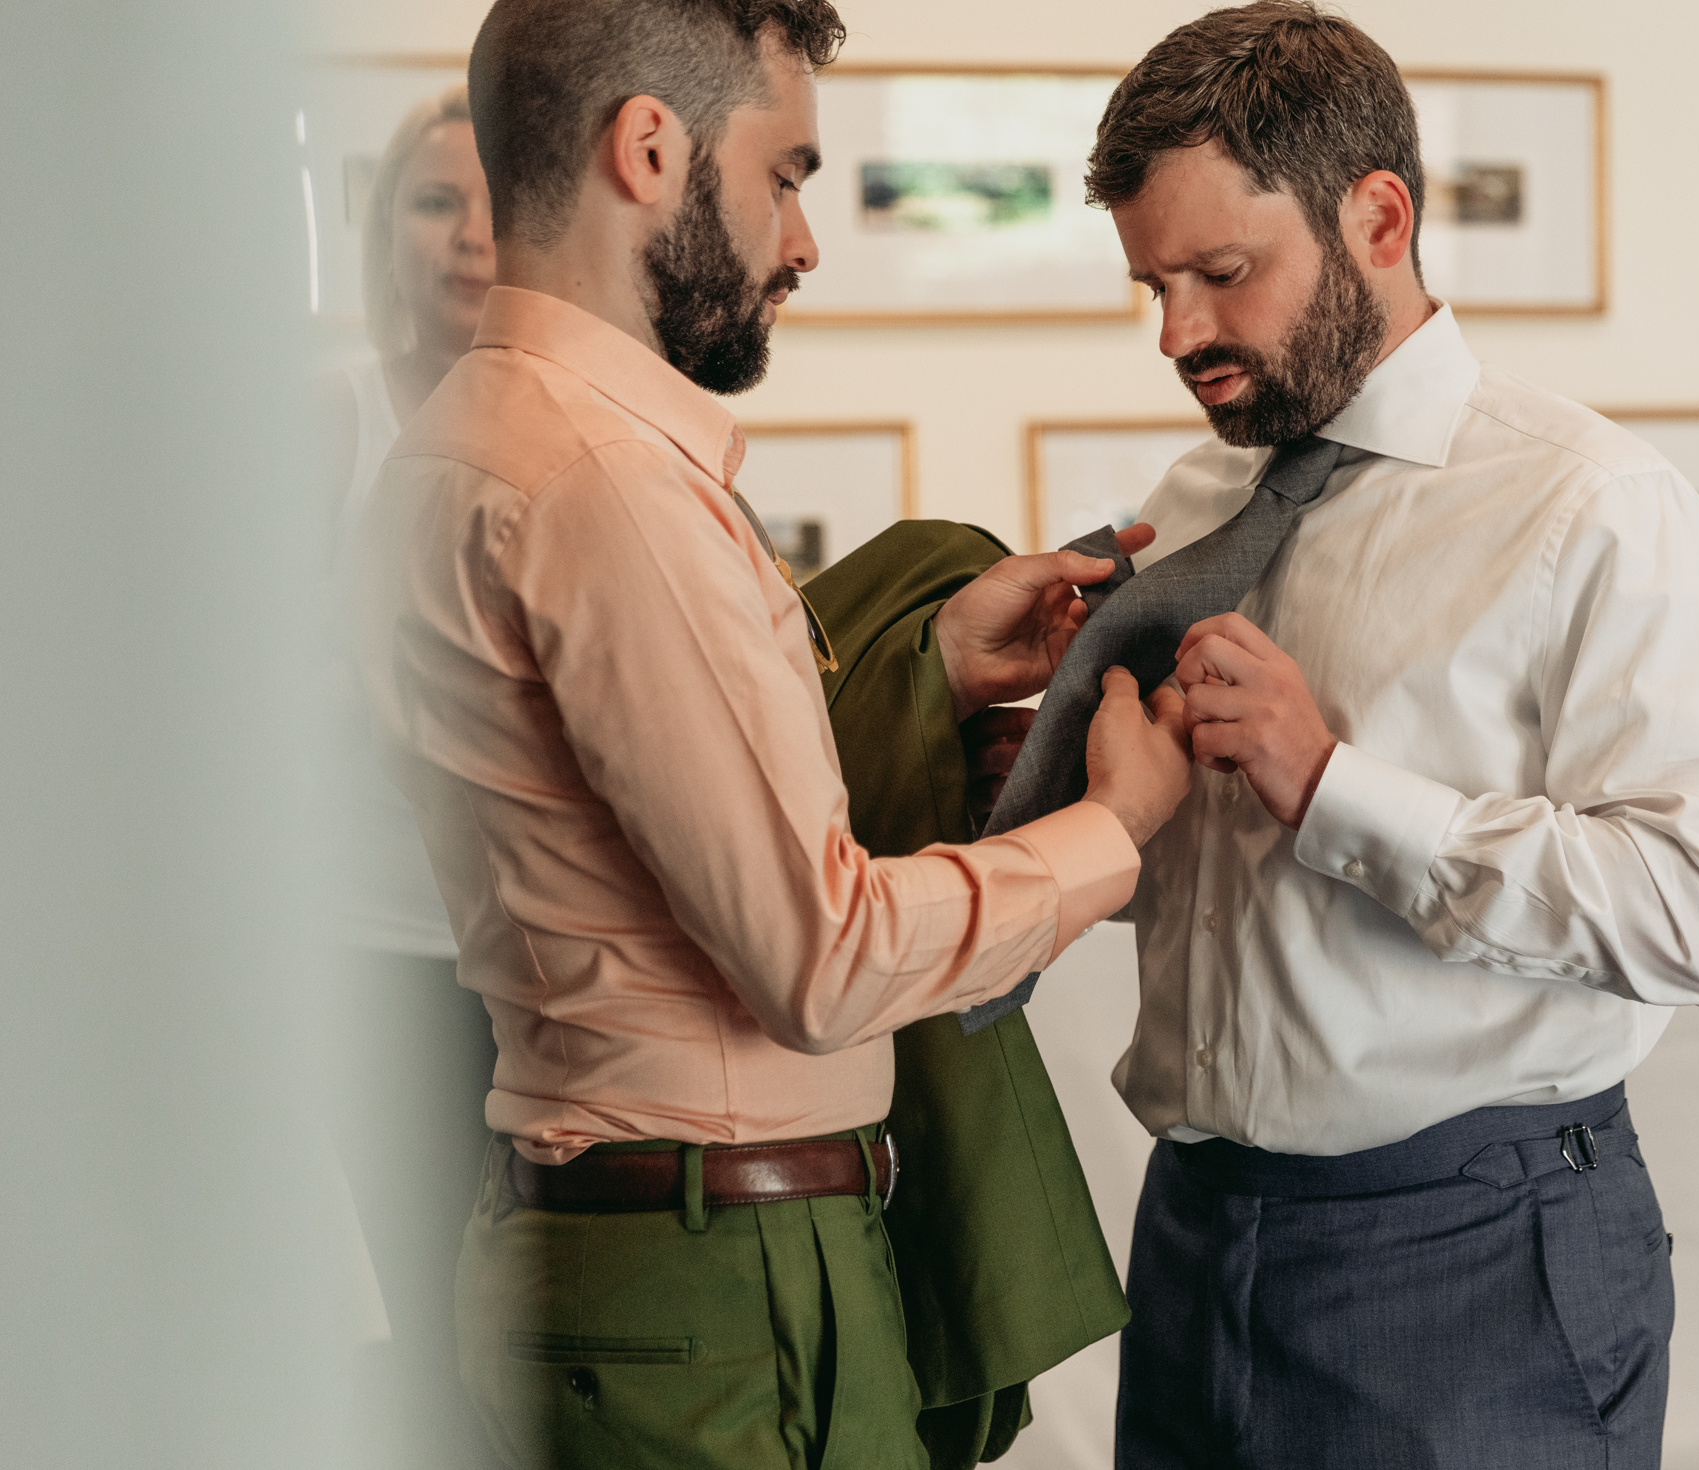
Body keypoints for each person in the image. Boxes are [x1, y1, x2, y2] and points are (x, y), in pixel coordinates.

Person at [344, 2, 1192, 1467]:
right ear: (651, 148)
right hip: (718, 1290)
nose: (805, 242)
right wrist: (1106, 830)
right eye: (787, 174)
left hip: (622, 1255)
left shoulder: (467, 440)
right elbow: (823, 954)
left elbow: (626, 807)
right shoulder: (604, 485)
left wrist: (917, 655)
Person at [1086, 5, 1699, 1467]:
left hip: (1469, 1251)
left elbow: (1697, 913)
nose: (1179, 333)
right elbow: (1202, 885)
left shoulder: (1595, 509)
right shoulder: (1199, 500)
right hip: (1196, 1239)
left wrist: (1335, 785)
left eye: (1222, 273)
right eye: (1153, 285)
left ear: (1377, 217)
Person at [314, 84, 505, 1470]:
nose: (470, 238)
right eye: (436, 201)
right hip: (379, 952)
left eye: (500, 203)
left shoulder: (585, 431)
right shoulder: (324, 425)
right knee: (433, 1324)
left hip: (553, 964)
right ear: (384, 234)